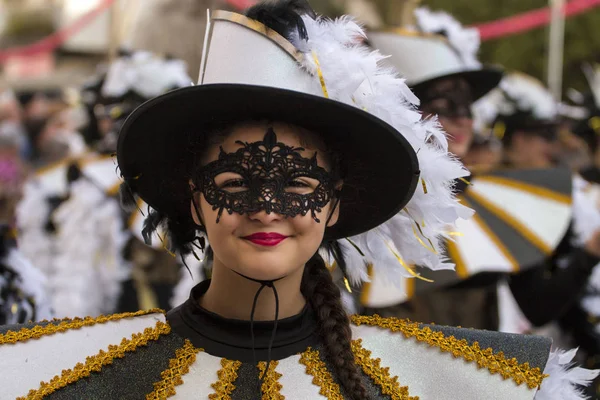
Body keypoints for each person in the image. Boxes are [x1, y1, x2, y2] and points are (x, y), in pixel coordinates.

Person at [0, 2, 593, 399]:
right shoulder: (66, 375)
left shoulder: (467, 382)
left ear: (335, 204)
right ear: (194, 197)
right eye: (233, 182)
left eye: (299, 183)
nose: (266, 205)